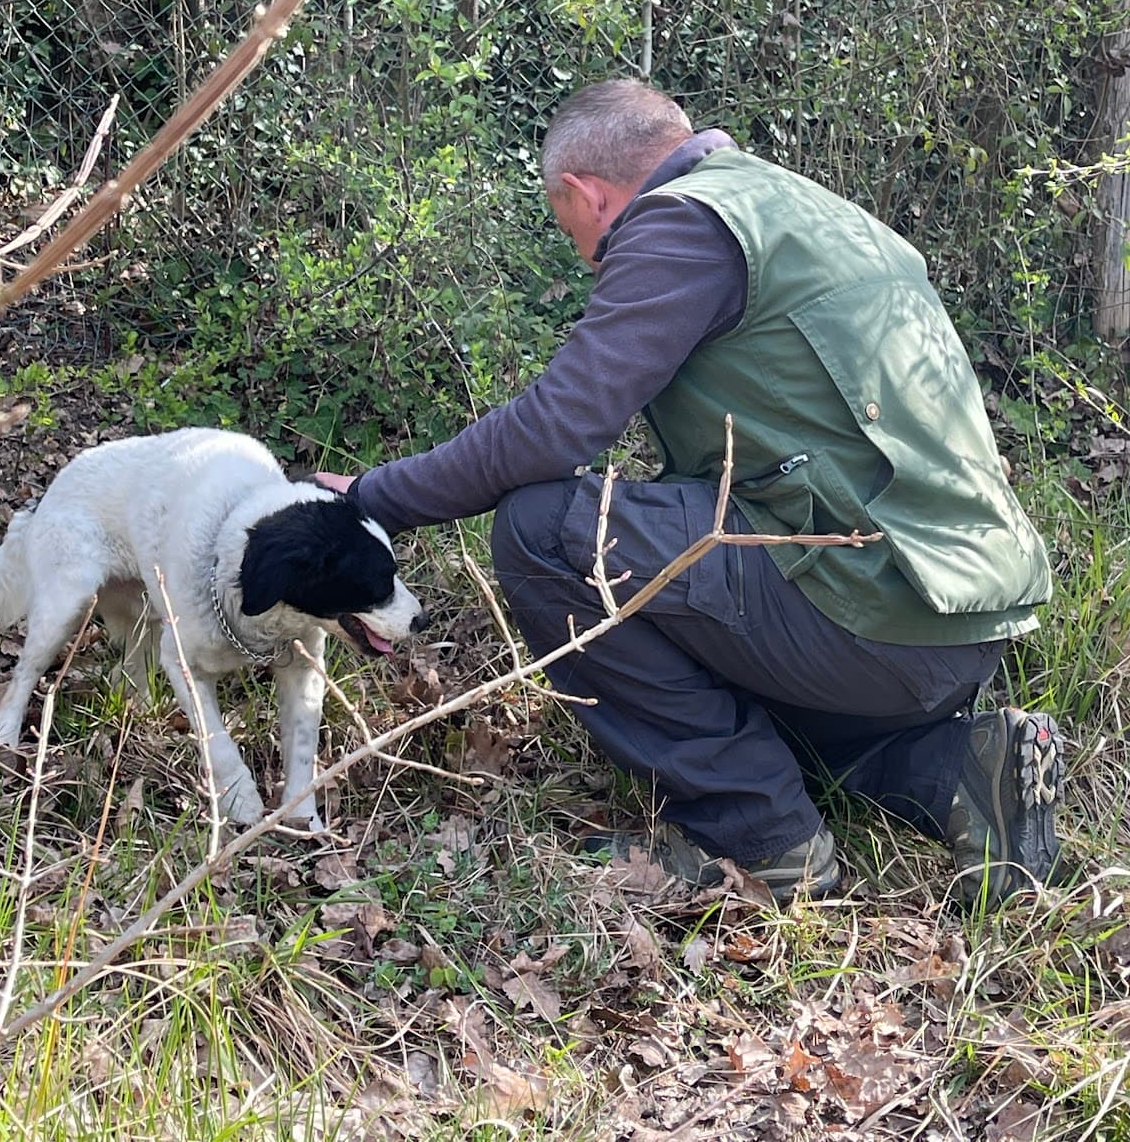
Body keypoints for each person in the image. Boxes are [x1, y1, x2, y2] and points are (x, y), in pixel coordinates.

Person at [317, 80, 1062, 907]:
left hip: (871, 611)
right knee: (721, 666)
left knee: (542, 529)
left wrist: (375, 495)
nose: (590, 260)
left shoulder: (683, 222)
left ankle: (761, 841)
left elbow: (555, 428)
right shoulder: (804, 207)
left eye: (579, 239)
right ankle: (959, 769)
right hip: (960, 620)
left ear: (584, 194)